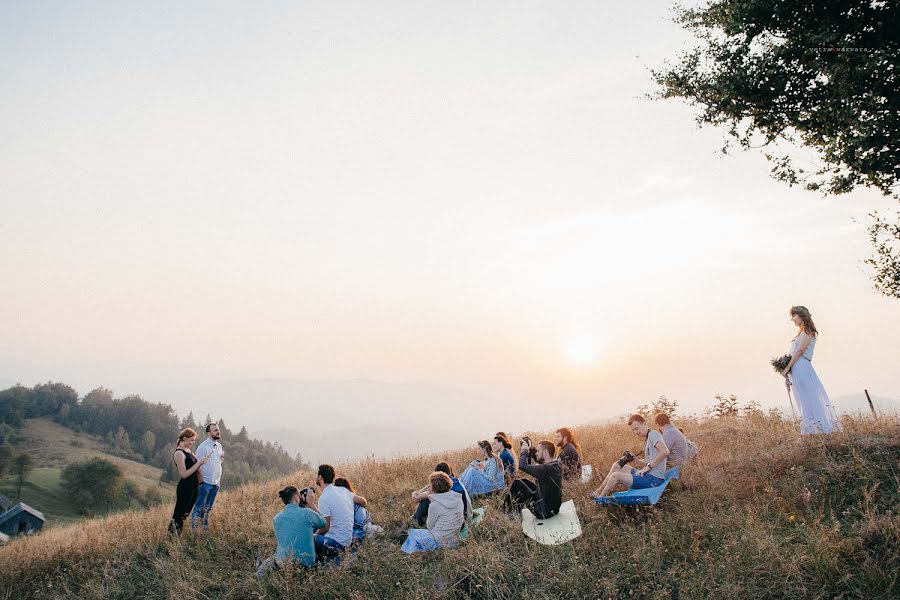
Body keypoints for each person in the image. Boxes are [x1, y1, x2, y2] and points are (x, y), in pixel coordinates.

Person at [781, 306, 843, 435]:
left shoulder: (808, 331)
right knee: (802, 397)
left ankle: (816, 429)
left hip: (802, 366)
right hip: (796, 367)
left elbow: (800, 351)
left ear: (801, 316)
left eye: (794, 316)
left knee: (808, 397)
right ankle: (811, 428)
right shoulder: (801, 332)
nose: (792, 319)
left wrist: (787, 367)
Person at [591, 414, 669, 498]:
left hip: (654, 480)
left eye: (636, 428)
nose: (635, 432)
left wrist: (649, 467)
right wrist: (635, 460)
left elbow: (665, 452)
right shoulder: (648, 437)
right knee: (617, 465)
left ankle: (599, 499)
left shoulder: (653, 434)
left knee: (616, 476)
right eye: (633, 430)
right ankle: (598, 492)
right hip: (647, 475)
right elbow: (649, 463)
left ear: (644, 423)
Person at [256, 485, 326, 577]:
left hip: (283, 564)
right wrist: (311, 504)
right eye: (300, 496)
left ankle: (259, 573)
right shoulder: (307, 513)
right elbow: (323, 523)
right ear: (297, 498)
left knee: (271, 559)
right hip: (305, 565)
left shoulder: (276, 518)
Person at [402, 472, 464, 554]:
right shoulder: (458, 498)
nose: (428, 488)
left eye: (430, 486)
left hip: (440, 542)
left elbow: (430, 526)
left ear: (434, 489)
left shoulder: (435, 505)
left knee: (412, 534)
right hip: (454, 540)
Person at [502, 438, 562, 519]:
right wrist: (531, 448)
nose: (536, 453)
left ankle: (506, 512)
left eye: (538, 451)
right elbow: (541, 462)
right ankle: (514, 511)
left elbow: (522, 466)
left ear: (546, 452)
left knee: (517, 484)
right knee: (524, 481)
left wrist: (524, 450)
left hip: (543, 512)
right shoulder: (556, 464)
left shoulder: (546, 469)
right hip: (553, 509)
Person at [168, 428, 210, 535]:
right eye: (191, 440)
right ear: (185, 438)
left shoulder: (188, 451)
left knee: (185, 515)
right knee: (179, 515)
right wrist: (199, 463)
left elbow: (196, 468)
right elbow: (183, 474)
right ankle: (171, 538)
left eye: (194, 441)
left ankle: (177, 538)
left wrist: (201, 480)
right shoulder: (179, 453)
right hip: (185, 488)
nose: (193, 443)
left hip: (194, 487)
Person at [313, 464, 355, 563]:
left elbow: (325, 527)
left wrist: (314, 536)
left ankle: (311, 563)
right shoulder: (343, 490)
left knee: (306, 538)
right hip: (347, 540)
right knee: (312, 526)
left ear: (320, 477)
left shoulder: (324, 498)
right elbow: (362, 501)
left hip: (337, 544)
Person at [411, 462, 472, 526]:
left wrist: (414, 493)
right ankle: (416, 519)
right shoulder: (454, 481)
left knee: (426, 500)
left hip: (457, 521)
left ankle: (415, 521)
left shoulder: (441, 487)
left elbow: (416, 498)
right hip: (463, 518)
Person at [192, 422, 225, 528]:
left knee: (207, 509)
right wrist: (201, 482)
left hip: (215, 483)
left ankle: (204, 530)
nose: (218, 431)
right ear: (208, 433)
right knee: (199, 509)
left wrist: (218, 481)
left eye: (218, 429)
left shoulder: (219, 446)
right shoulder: (203, 447)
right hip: (205, 482)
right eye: (215, 430)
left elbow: (218, 462)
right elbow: (197, 465)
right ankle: (195, 532)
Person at [334, 477, 372, 543]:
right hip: (359, 525)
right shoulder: (344, 499)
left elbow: (364, 501)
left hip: (361, 526)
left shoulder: (348, 495)